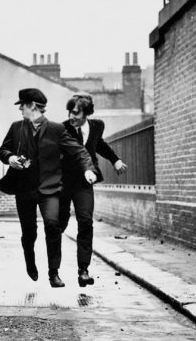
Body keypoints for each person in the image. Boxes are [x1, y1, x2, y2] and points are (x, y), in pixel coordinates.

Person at [0, 88, 96, 288]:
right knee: (29, 232)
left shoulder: (56, 129)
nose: (20, 110)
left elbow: (79, 151)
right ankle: (30, 261)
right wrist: (11, 158)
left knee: (52, 225)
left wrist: (88, 169)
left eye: (22, 105)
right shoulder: (16, 128)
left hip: (49, 189)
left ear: (32, 106)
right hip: (24, 189)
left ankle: (54, 273)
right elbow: (2, 150)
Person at [60, 93, 127, 287]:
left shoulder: (97, 126)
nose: (71, 117)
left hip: (84, 183)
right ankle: (53, 265)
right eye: (70, 112)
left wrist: (115, 160)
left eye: (75, 113)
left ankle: (83, 270)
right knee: (59, 224)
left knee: (86, 222)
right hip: (64, 183)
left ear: (86, 113)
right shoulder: (62, 129)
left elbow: (99, 145)